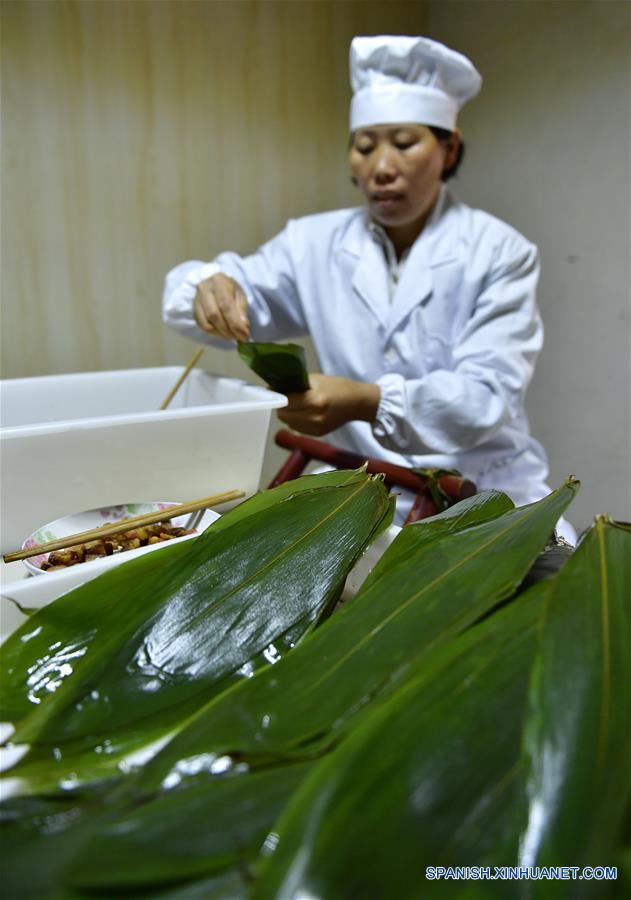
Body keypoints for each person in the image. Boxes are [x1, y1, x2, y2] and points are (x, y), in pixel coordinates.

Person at [163, 35, 576, 542]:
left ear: (448, 149)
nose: (381, 167)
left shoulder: (499, 251)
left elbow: (484, 398)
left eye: (403, 143)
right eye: (364, 147)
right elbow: (232, 294)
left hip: (481, 487)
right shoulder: (312, 243)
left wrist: (368, 401)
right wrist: (209, 288)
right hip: (357, 484)